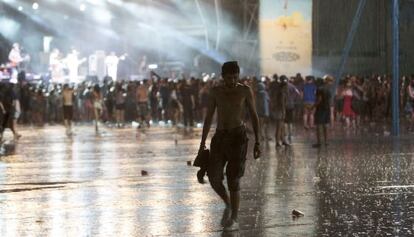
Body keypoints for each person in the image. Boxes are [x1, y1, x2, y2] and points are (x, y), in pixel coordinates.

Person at [199, 61, 261, 231]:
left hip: (237, 137)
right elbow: (209, 117)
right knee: (213, 177)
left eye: (235, 77)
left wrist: (258, 141)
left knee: (233, 179)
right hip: (219, 137)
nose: (232, 81)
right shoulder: (216, 92)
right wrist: (202, 142)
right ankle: (227, 202)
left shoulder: (244, 90)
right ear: (222, 77)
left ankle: (234, 217)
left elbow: (254, 116)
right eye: (229, 77)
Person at [313, 78, 331, 148]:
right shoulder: (328, 89)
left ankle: (319, 142)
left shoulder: (319, 89)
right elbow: (329, 99)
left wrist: (313, 106)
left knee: (318, 125)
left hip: (320, 109)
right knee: (325, 125)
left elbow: (319, 99)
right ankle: (326, 141)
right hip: (327, 108)